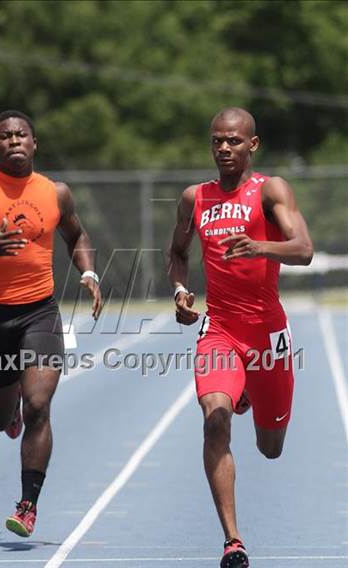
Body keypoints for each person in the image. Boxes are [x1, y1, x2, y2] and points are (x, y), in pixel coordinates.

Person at [0, 110, 102, 538]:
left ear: (34, 143)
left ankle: (28, 504)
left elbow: (77, 236)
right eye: (5, 136)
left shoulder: (56, 193)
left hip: (40, 313)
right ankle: (7, 411)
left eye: (21, 134)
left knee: (39, 406)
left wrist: (88, 273)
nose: (14, 141)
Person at [168, 107, 313, 568]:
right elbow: (176, 252)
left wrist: (261, 246)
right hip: (221, 329)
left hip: (268, 334)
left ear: (252, 145)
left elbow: (304, 250)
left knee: (270, 448)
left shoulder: (270, 190)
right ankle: (233, 542)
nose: (224, 148)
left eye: (233, 141)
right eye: (217, 141)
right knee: (215, 419)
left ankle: (249, 389)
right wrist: (180, 290)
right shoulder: (195, 197)